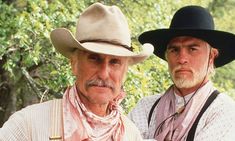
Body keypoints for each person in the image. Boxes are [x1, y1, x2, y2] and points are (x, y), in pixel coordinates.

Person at [0, 2, 153, 141]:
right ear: (74, 64)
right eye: (94, 58)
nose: (104, 73)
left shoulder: (130, 134)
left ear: (125, 72)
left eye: (115, 62)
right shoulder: (28, 125)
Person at [128, 5, 235, 141]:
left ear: (211, 56)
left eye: (192, 49)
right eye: (174, 50)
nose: (182, 59)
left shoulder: (223, 111)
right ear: (167, 56)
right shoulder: (146, 107)